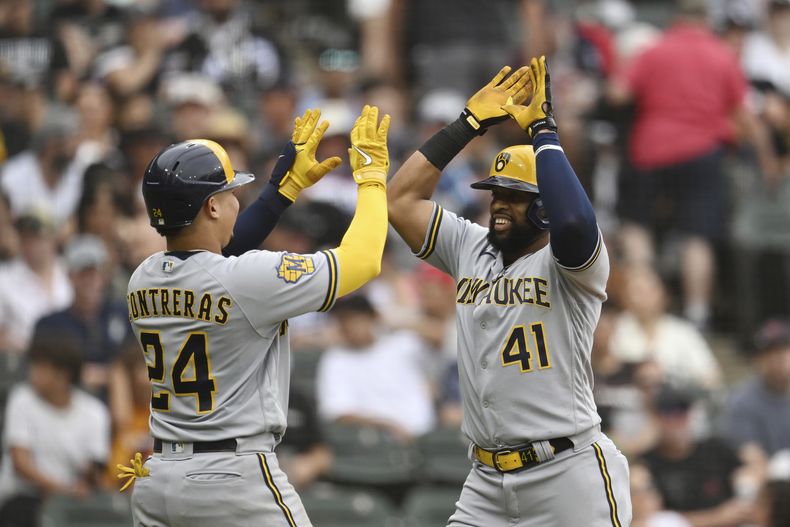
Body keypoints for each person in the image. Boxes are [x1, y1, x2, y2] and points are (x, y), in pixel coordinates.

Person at [387, 57, 631, 526]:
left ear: (544, 209)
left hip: (567, 472)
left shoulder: (574, 265)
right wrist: (467, 124)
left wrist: (543, 130)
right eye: (495, 193)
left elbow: (577, 221)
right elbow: (398, 201)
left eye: (515, 196)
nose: (498, 203)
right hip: (485, 479)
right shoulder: (468, 246)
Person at [123, 104, 390, 527]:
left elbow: (216, 254)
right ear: (211, 207)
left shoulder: (142, 277)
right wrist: (373, 179)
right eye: (229, 194)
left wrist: (280, 193)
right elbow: (364, 260)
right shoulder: (246, 278)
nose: (235, 201)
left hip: (158, 480)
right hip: (233, 479)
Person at [0, 334, 110, 527]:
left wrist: (87, 481)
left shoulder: (94, 412)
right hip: (25, 497)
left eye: (40, 367)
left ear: (63, 375)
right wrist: (63, 489)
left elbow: (94, 467)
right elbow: (20, 463)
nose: (32, 372)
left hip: (73, 502)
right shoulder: (22, 399)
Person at [316, 294, 436, 442]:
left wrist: (392, 321)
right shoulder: (335, 359)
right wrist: (389, 425)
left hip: (425, 435)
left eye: (354, 319)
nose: (347, 326)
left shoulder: (403, 343)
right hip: (376, 444)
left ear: (371, 317)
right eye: (341, 320)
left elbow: (443, 338)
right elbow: (339, 411)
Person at [724, 319, 790, 458]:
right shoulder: (742, 401)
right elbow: (751, 456)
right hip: (768, 475)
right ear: (757, 359)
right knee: (747, 479)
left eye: (782, 352)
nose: (776, 361)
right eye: (769, 354)